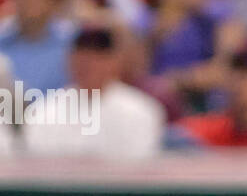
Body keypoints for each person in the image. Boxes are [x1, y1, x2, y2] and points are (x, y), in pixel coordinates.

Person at [23, 24, 165, 159]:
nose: (89, 62)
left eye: (99, 55)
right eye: (82, 53)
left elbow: (139, 171)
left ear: (115, 60)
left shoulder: (141, 111)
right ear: (69, 60)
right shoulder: (43, 112)